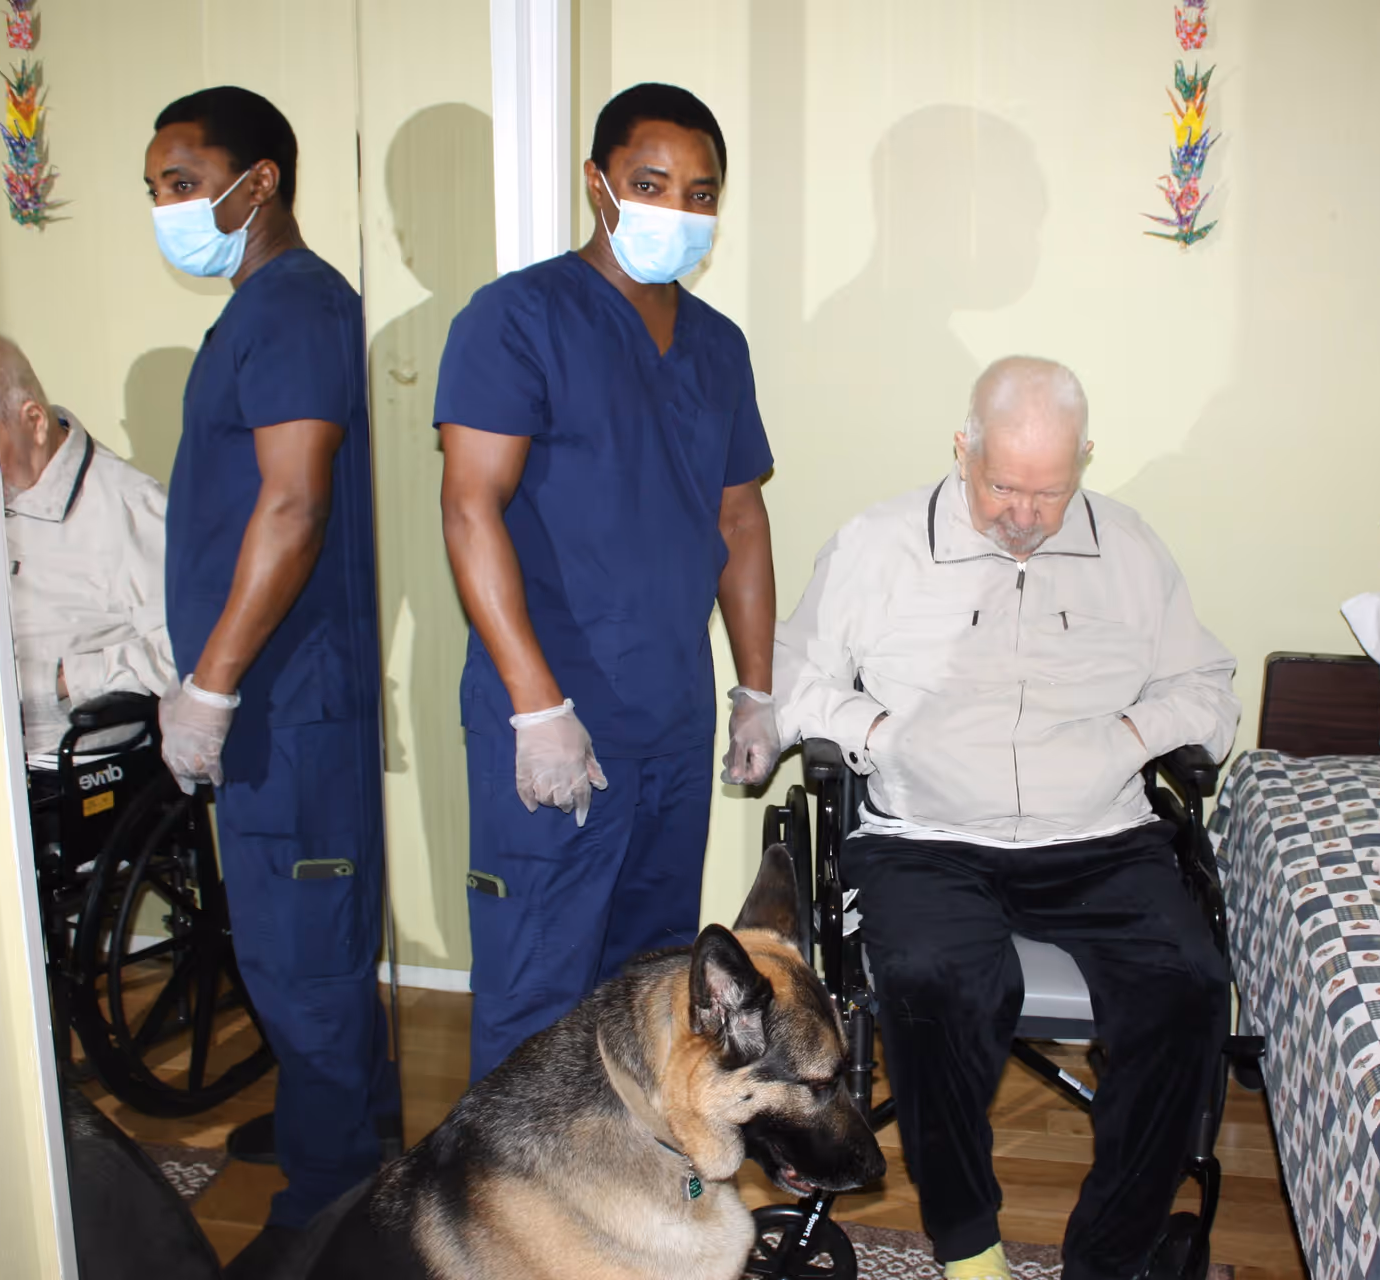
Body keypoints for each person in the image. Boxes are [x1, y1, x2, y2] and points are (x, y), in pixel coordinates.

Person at [775, 357, 1241, 1280]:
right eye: (1003, 487)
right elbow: (794, 683)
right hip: (929, 836)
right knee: (939, 982)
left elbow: (1208, 690)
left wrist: (1133, 732)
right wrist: (879, 731)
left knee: (1186, 983)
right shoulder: (878, 544)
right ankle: (971, 1249)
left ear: (1086, 462)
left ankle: (1108, 1255)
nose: (1025, 516)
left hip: (1098, 834)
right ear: (963, 449)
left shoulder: (1132, 548)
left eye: (1050, 493)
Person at [434, 82, 779, 1083]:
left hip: (667, 716)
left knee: (655, 978)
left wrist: (754, 688)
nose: (679, 209)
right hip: (557, 713)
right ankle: (508, 1222)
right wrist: (536, 706)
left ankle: (623, 1201)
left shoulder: (718, 347)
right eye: (650, 183)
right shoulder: (515, 320)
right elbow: (470, 508)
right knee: (541, 985)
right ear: (598, 183)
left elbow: (739, 516)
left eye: (701, 192)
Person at [142, 86, 396, 1269]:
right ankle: (332, 1120)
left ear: (261, 182)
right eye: (157, 188)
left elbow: (292, 506)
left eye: (184, 182)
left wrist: (215, 682)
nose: (169, 206)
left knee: (307, 950)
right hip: (261, 697)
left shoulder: (297, 306)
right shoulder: (256, 308)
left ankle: (336, 1197)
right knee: (288, 939)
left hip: (285, 700)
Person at [0, 334, 175, 762]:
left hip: (86, 770)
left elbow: (191, 655)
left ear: (35, 422)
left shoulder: (132, 509)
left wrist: (62, 680)